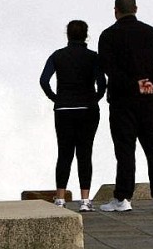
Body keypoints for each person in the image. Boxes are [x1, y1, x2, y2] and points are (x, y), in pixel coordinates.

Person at [98, 0, 153, 212]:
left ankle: (123, 198)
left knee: (125, 150)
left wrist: (134, 85)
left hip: (122, 102)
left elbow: (108, 68)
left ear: (116, 10)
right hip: (150, 102)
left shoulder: (108, 36)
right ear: (136, 8)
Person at [39, 20, 107, 212]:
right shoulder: (93, 57)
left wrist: (56, 98)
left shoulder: (57, 56)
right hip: (87, 109)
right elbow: (102, 83)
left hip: (63, 110)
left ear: (67, 34)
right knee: (85, 153)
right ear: (86, 35)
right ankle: (85, 200)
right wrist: (95, 98)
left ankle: (60, 198)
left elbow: (44, 80)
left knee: (64, 153)